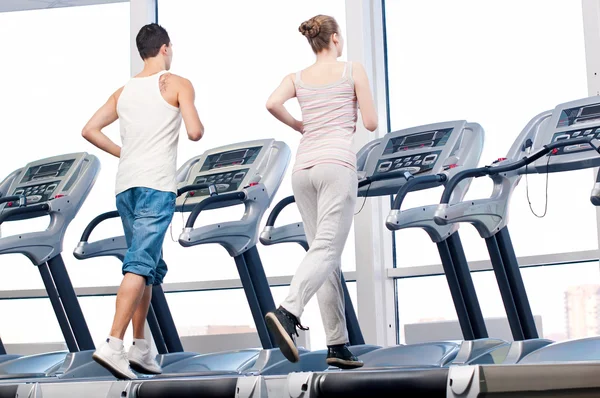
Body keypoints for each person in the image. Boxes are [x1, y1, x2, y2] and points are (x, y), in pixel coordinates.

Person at [81, 23, 204, 379]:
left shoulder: (123, 92)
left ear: (142, 52)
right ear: (165, 48)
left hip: (127, 186)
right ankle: (113, 345)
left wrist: (126, 152)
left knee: (146, 268)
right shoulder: (178, 83)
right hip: (156, 185)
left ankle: (140, 348)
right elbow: (195, 132)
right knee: (138, 264)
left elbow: (89, 129)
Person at [264, 15, 378, 369]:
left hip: (303, 170)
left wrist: (300, 124)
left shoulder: (296, 78)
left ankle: (337, 345)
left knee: (323, 253)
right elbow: (371, 123)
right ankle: (288, 311)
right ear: (335, 39)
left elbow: (271, 103)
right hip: (336, 165)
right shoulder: (351, 70)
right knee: (327, 250)